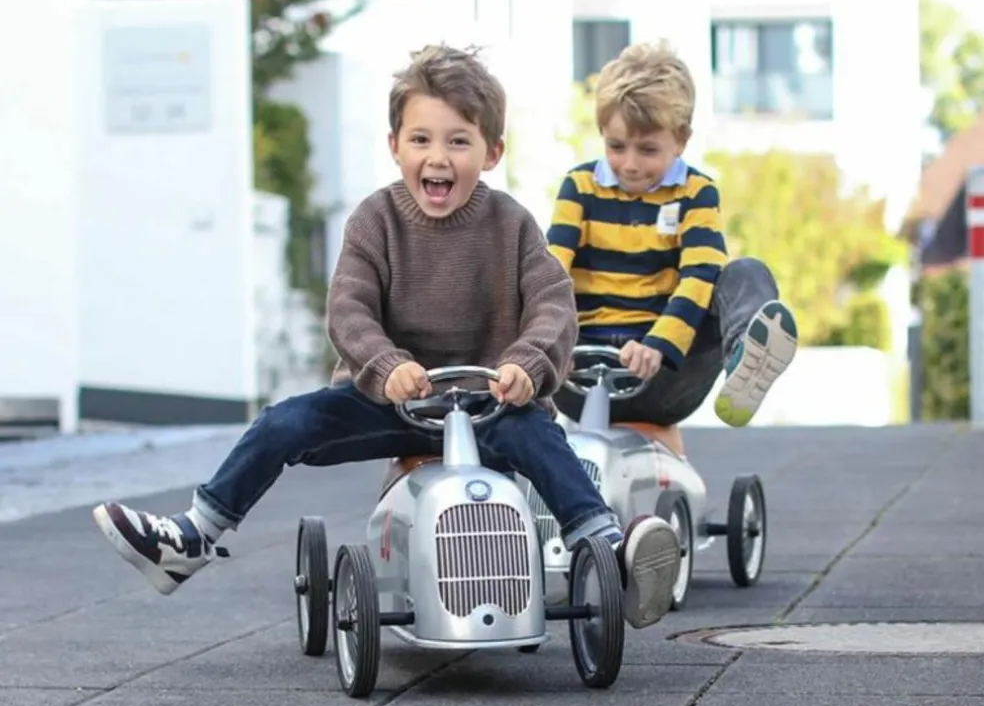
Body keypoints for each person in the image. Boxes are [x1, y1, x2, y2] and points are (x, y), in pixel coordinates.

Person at [91, 43, 681, 630]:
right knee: (282, 423)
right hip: (392, 402)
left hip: (490, 404)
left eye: (459, 141)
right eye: (421, 139)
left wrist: (527, 364)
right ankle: (194, 534)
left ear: (492, 152)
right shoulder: (375, 221)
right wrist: (385, 364)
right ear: (395, 145)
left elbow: (553, 301)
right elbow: (349, 308)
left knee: (543, 439)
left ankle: (609, 550)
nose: (437, 157)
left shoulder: (512, 225)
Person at [548, 42, 798, 457]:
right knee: (530, 271)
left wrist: (658, 345)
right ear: (602, 134)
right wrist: (553, 341)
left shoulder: (696, 193)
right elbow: (552, 269)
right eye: (616, 146)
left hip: (665, 374)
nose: (630, 164)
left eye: (647, 150)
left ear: (680, 140)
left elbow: (700, 275)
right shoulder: (579, 187)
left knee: (745, 272)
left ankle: (745, 357)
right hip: (581, 370)